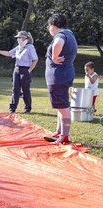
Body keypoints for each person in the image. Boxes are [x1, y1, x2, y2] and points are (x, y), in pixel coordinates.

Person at [43, 13, 78, 144]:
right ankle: (59, 132)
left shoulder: (61, 35)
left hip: (59, 76)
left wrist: (54, 56)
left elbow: (58, 43)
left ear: (53, 25)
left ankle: (64, 137)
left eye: (49, 26)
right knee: (61, 106)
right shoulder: (70, 34)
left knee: (63, 107)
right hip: (63, 75)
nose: (49, 29)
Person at [0, 31, 38, 113]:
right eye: (18, 38)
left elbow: (35, 59)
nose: (18, 39)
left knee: (25, 89)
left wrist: (29, 70)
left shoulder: (30, 47)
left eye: (20, 37)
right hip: (17, 70)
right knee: (15, 89)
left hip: (25, 70)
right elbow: (9, 53)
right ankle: (12, 109)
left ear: (25, 38)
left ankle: (27, 108)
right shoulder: (18, 47)